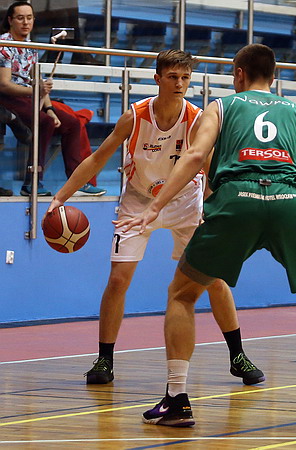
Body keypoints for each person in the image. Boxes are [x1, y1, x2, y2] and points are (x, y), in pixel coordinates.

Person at [116, 44, 296, 428]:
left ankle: (177, 400)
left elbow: (194, 157)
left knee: (182, 294)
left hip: (237, 200)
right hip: (291, 202)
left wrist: (155, 206)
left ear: (239, 74)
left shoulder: (220, 107)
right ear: (274, 77)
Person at [44, 49, 265, 387]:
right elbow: (97, 159)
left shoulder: (196, 119)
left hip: (185, 202)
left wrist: (219, 210)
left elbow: (212, 170)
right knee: (118, 280)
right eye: (173, 77)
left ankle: (238, 355)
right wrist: (61, 196)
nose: (180, 83)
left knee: (214, 279)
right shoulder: (134, 117)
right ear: (157, 78)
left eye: (185, 78)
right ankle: (104, 359)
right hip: (139, 201)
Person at [0, 1, 106, 196]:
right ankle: (32, 182)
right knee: (45, 123)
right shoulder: (4, 45)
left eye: (29, 18)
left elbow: (37, 80)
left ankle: (77, 182)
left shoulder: (31, 46)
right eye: (20, 18)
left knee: (72, 123)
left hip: (29, 96)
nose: (25, 22)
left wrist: (49, 108)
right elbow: (4, 85)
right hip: (8, 99)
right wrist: (36, 91)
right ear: (10, 20)